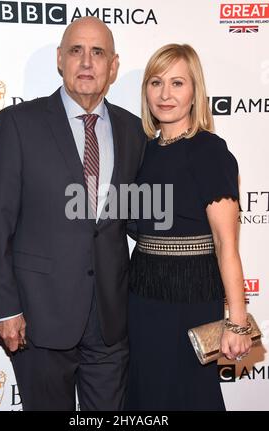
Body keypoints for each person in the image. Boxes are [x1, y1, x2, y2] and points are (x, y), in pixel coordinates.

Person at [0, 17, 146, 411]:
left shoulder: (134, 130)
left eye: (98, 53)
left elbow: (140, 219)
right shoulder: (18, 124)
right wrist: (6, 308)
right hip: (39, 318)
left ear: (113, 65)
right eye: (76, 50)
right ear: (60, 59)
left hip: (110, 322)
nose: (87, 62)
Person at [125, 44, 252, 411]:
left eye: (177, 83)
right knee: (145, 394)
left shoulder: (209, 151)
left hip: (192, 298)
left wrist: (238, 322)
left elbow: (226, 244)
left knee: (187, 396)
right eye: (156, 82)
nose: (165, 94)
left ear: (195, 91)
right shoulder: (144, 150)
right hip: (142, 293)